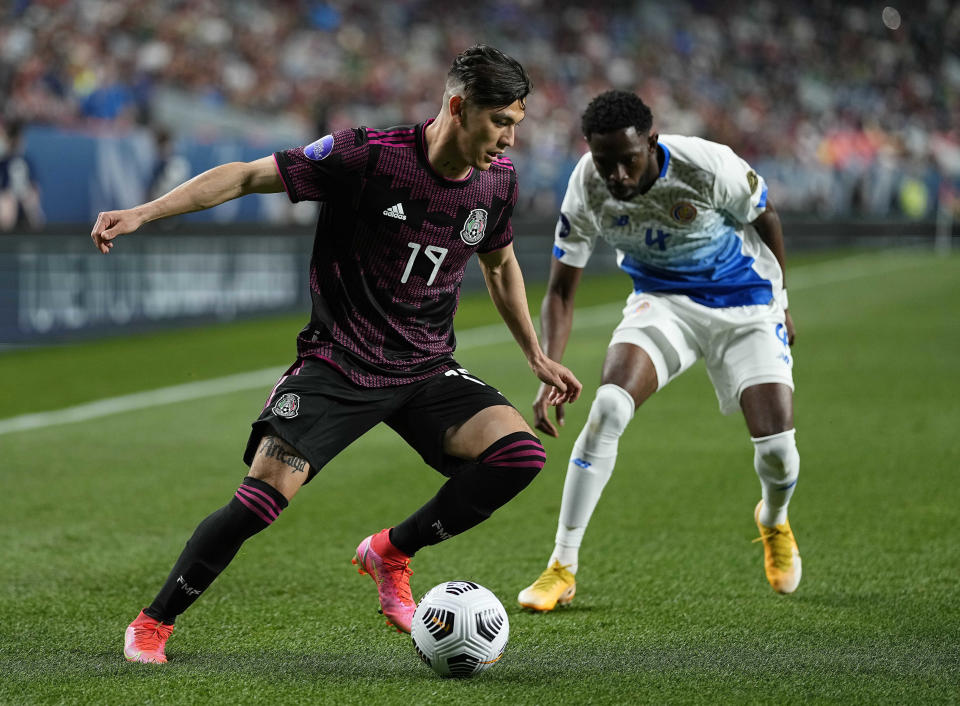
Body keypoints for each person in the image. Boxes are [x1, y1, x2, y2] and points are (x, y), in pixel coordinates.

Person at [91, 45, 582, 664]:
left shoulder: (497, 183)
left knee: (517, 456)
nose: (510, 139)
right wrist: (143, 213)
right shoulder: (370, 155)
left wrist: (536, 355)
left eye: (517, 123)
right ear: (457, 107)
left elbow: (501, 264)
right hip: (340, 362)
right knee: (259, 502)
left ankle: (390, 552)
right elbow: (247, 175)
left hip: (426, 366)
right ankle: (152, 624)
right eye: (500, 122)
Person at [516, 90, 800, 612]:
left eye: (628, 160)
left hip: (746, 304)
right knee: (606, 409)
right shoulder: (586, 183)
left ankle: (774, 520)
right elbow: (559, 290)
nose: (618, 176)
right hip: (663, 303)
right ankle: (562, 566)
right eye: (606, 164)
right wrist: (549, 367)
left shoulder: (707, 166)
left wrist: (781, 301)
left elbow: (767, 216)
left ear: (652, 141)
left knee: (778, 451)